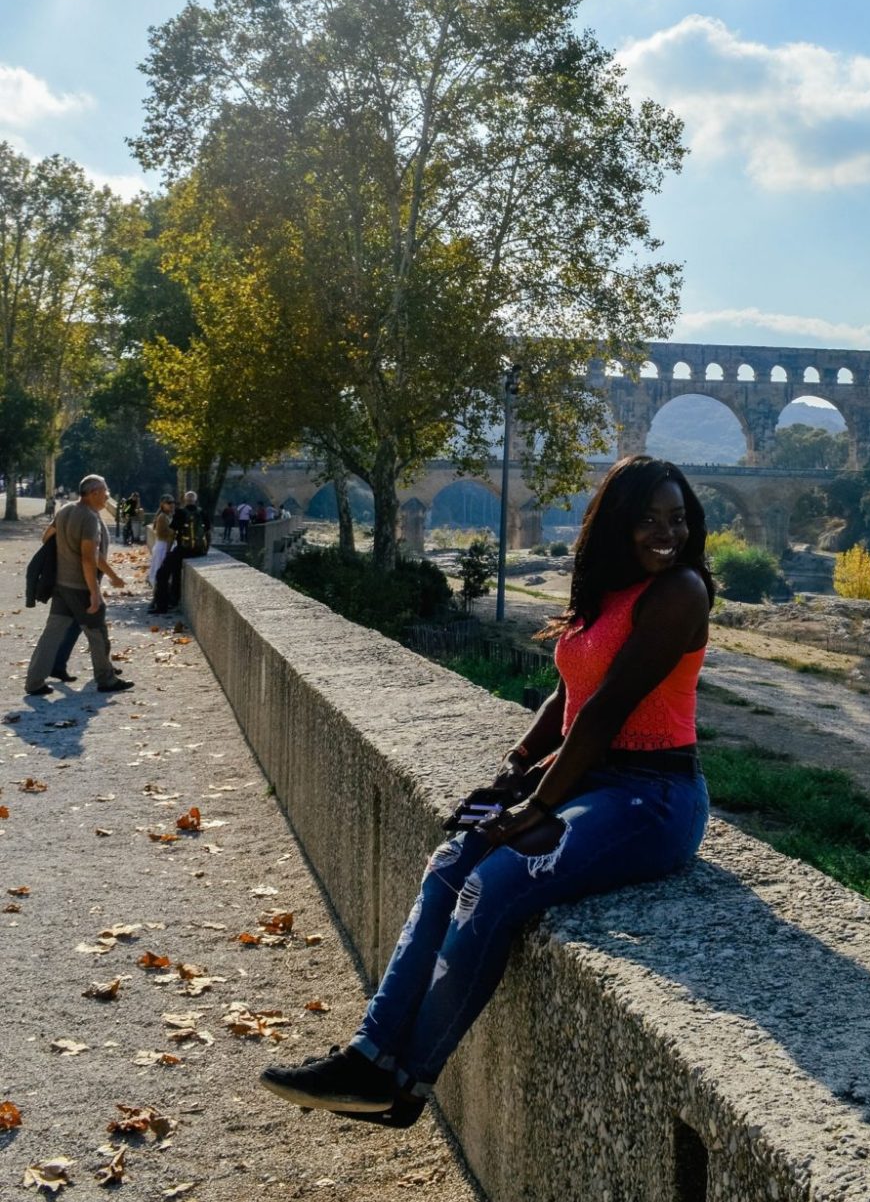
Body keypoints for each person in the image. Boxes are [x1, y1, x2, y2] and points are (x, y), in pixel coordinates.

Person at [260, 454, 713, 1126]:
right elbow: (568, 693)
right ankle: (370, 1055)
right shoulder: (607, 591)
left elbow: (606, 711)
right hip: (595, 779)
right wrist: (514, 766)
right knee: (449, 867)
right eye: (648, 520)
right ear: (616, 523)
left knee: (497, 882)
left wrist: (534, 804)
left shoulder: (680, 591)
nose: (664, 533)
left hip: (654, 797)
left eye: (676, 520)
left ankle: (405, 1082)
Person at [25, 474, 133, 697]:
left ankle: (34, 682)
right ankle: (106, 679)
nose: (108, 495)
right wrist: (94, 593)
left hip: (61, 585)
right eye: (105, 492)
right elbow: (88, 558)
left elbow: (47, 537)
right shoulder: (89, 519)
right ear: (94, 493)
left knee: (51, 634)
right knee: (96, 632)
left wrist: (67, 552)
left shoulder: (65, 510)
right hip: (80, 587)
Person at [171, 489, 211, 559]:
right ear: (195, 500)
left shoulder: (179, 512)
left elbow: (172, 532)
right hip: (200, 551)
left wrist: (168, 548)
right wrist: (206, 549)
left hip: (184, 551)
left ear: (185, 500)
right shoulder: (202, 512)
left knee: (169, 561)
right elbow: (208, 532)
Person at [147, 495, 175, 590]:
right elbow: (162, 533)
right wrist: (174, 531)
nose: (172, 505)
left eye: (173, 502)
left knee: (159, 571)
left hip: (162, 545)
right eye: (169, 503)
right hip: (162, 546)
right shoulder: (162, 517)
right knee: (159, 571)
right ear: (163, 504)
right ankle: (157, 596)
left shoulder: (168, 516)